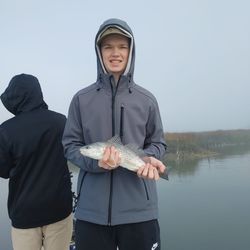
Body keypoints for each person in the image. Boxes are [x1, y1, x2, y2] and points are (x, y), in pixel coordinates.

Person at [62, 18, 167, 250]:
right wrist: (97, 163)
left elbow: (158, 143)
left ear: (131, 50)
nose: (115, 53)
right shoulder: (81, 99)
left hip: (140, 213)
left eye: (122, 46)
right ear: (99, 52)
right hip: (91, 214)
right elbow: (71, 146)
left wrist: (147, 159)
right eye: (108, 46)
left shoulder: (147, 99)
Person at [0, 74, 73, 250]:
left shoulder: (6, 130)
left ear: (14, 96)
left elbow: (3, 171)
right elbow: (74, 154)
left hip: (25, 214)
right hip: (59, 210)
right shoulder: (60, 121)